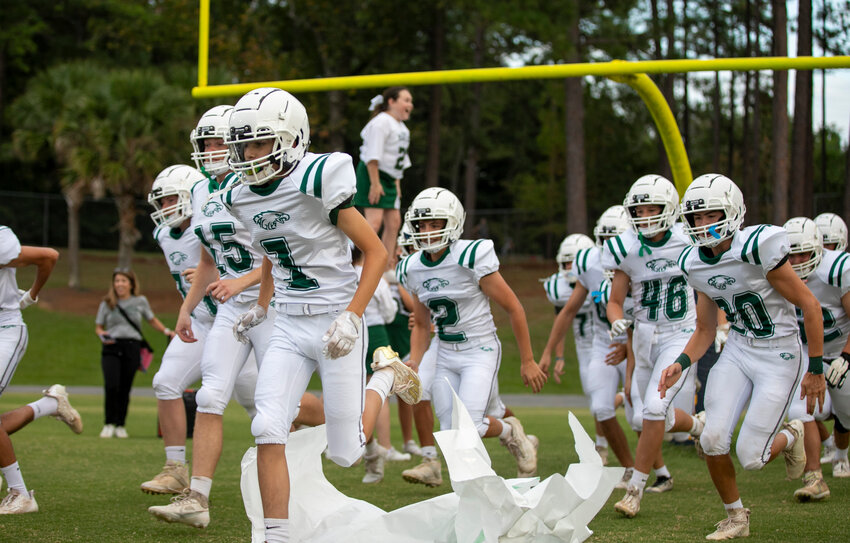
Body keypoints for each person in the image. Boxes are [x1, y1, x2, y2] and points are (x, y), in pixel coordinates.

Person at [220, 87, 420, 543]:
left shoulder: (316, 178)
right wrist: (263, 303)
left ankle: (385, 376)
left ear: (290, 140)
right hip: (289, 322)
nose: (246, 154)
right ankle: (278, 537)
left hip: (335, 319)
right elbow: (275, 249)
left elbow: (374, 251)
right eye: (243, 143)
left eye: (257, 142)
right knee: (267, 426)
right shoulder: (241, 194)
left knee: (347, 453)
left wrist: (352, 315)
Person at [659, 174, 825, 540]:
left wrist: (815, 368)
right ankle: (736, 517)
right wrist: (682, 363)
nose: (704, 225)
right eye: (697, 218)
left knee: (752, 457)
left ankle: (794, 433)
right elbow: (704, 330)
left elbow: (811, 306)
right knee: (712, 439)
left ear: (732, 213)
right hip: (738, 348)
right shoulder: (694, 262)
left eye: (712, 215)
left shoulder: (756, 248)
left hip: (780, 353)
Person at [148, 105, 279, 529]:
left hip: (272, 307)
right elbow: (208, 258)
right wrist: (187, 308)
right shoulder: (202, 191)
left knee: (271, 412)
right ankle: (197, 498)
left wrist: (241, 283)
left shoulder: (261, 185)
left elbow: (284, 254)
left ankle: (345, 424)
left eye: (219, 141)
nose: (211, 149)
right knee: (209, 396)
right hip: (228, 312)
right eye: (205, 142)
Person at [400, 187, 546, 479]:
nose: (427, 232)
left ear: (451, 223)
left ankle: (510, 431)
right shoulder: (412, 267)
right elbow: (421, 321)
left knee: (472, 425)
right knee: (450, 431)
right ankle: (473, 485)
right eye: (421, 225)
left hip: (479, 349)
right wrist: (416, 359)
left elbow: (514, 308)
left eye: (435, 224)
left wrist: (528, 360)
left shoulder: (470, 256)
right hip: (444, 351)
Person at [141, 163, 264, 495]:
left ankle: (332, 422)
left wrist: (211, 274)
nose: (165, 208)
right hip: (204, 322)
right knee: (165, 382)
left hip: (240, 316)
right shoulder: (164, 235)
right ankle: (175, 469)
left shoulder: (221, 217)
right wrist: (185, 309)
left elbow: (236, 260)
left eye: (171, 200)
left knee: (259, 402)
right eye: (161, 202)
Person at [605, 176, 705, 517]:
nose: (645, 216)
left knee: (653, 408)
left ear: (669, 209)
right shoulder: (626, 247)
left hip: (680, 333)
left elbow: (709, 284)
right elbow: (615, 300)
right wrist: (616, 318)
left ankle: (636, 489)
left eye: (653, 209)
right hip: (644, 336)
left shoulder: (688, 240)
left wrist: (716, 323)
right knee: (641, 415)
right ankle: (695, 425)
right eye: (639, 210)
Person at [540, 206, 637, 489]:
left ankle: (659, 467)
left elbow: (648, 314)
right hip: (600, 345)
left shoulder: (641, 261)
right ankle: (628, 467)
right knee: (599, 405)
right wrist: (551, 353)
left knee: (644, 414)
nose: (609, 247)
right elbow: (566, 313)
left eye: (614, 239)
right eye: (604, 240)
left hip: (639, 342)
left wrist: (631, 348)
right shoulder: (590, 265)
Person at [0, 227, 83, 514]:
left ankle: (21, 494)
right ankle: (49, 405)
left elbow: (48, 256)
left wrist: (31, 295)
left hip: (4, 329)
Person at [784, 217, 850, 499]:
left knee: (846, 417)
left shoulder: (837, 270)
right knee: (802, 410)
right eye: (792, 254)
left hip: (840, 352)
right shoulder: (775, 270)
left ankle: (841, 452)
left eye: (804, 253)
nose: (798, 261)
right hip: (805, 353)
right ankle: (815, 477)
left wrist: (846, 357)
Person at [542, 233, 605, 460]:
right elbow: (562, 320)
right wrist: (559, 357)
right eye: (565, 262)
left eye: (573, 261)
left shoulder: (600, 278)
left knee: (607, 398)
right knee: (594, 398)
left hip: (610, 341)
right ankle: (602, 444)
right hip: (584, 348)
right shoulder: (558, 288)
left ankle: (603, 443)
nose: (569, 267)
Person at [95, 269, 175, 439]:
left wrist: (167, 331)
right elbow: (99, 326)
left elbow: (151, 319)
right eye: (117, 281)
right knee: (111, 386)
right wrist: (102, 334)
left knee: (125, 387)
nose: (120, 284)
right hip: (111, 347)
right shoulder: (108, 302)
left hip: (132, 346)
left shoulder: (140, 301)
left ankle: (120, 425)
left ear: (131, 284)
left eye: (123, 281)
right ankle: (108, 423)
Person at [353, 86, 413, 262]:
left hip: (389, 177)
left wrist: (396, 183)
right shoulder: (381, 122)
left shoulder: (402, 127)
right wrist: (375, 183)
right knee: (374, 222)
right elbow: (373, 155)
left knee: (394, 222)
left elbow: (398, 159)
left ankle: (386, 267)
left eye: (411, 101)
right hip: (373, 174)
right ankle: (361, 263)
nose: (410, 104)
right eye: (406, 100)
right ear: (391, 101)